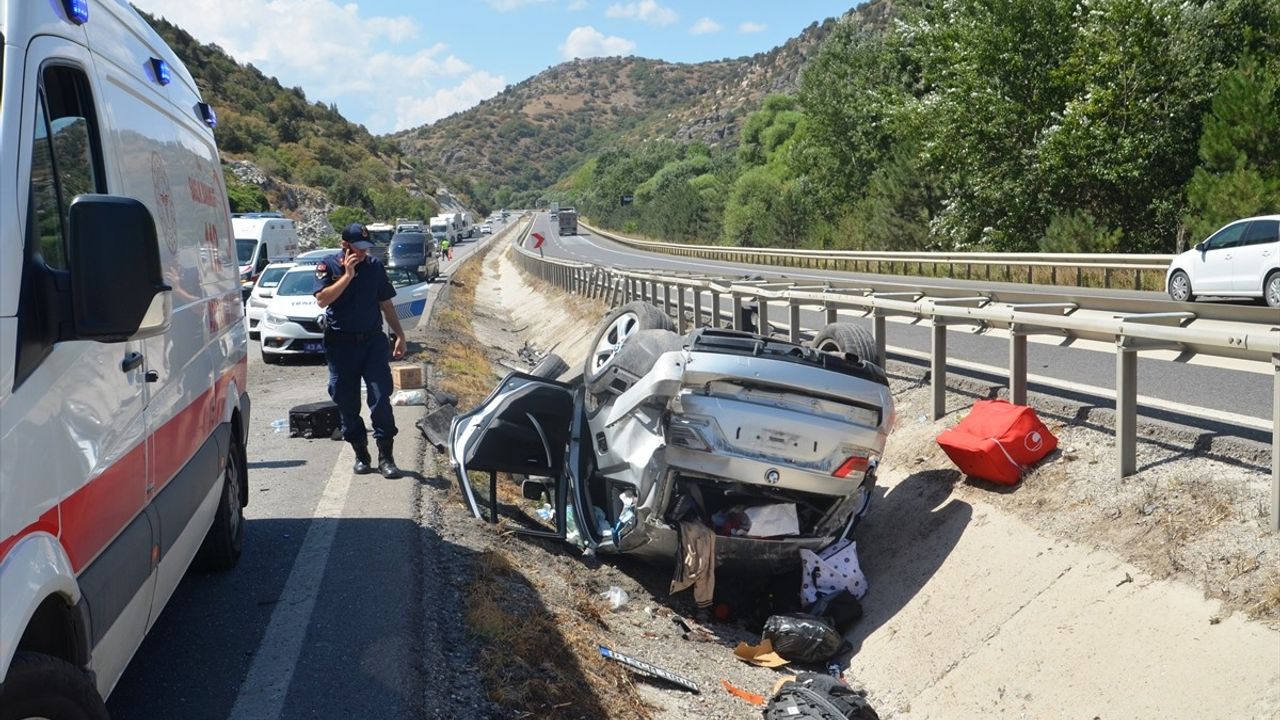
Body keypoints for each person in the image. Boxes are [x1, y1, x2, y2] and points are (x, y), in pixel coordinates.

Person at [314, 223, 408, 478]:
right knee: (346, 401)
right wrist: (347, 275)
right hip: (341, 344)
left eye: (367, 248)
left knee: (380, 399)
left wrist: (399, 335)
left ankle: (386, 457)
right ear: (345, 245)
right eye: (359, 248)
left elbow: (386, 304)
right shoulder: (328, 265)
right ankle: (361, 454)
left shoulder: (375, 267)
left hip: (372, 342)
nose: (364, 253)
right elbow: (322, 299)